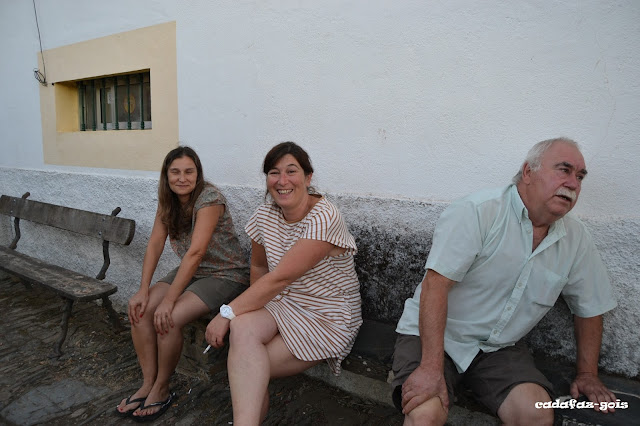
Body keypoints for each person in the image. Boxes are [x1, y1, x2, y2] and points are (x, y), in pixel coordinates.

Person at [392, 137, 617, 425]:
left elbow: (590, 306)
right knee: (425, 413)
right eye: (564, 170)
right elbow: (435, 286)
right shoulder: (478, 211)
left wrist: (587, 374)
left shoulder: (576, 237)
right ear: (528, 172)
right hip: (436, 336)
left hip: (499, 348)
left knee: (536, 414)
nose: (573, 184)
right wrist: (430, 367)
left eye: (580, 177)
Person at [205, 141, 363, 424]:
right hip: (285, 302)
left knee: (248, 365)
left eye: (291, 171)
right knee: (243, 330)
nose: (282, 181)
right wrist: (250, 311)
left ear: (308, 177)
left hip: (325, 314)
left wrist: (226, 313)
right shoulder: (264, 215)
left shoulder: (325, 217)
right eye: (274, 173)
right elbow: (259, 266)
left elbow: (281, 277)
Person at [115, 146, 249, 421]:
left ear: (198, 174)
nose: (182, 178)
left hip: (224, 273)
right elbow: (155, 243)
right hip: (193, 271)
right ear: (166, 175)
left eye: (189, 171)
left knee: (170, 317)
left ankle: (162, 388)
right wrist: (143, 290)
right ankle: (148, 384)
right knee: (141, 310)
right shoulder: (168, 200)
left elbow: (196, 252)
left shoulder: (209, 199)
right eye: (175, 172)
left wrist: (169, 300)